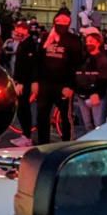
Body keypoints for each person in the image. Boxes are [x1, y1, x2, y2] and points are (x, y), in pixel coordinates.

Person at [31, 8, 83, 144]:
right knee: (42, 116)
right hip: (45, 84)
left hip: (63, 85)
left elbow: (77, 65)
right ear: (55, 21)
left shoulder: (74, 40)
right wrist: (35, 81)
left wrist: (71, 86)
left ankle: (67, 145)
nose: (61, 23)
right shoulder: (46, 37)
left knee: (66, 117)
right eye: (59, 20)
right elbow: (38, 60)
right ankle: (43, 145)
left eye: (65, 21)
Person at [74, 32, 107, 132]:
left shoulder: (103, 59)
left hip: (96, 96)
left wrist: (97, 93)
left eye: (91, 41)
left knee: (98, 125)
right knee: (87, 125)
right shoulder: (82, 57)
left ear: (98, 43)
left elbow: (104, 79)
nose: (88, 43)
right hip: (81, 95)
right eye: (87, 41)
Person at [11, 23, 41, 147]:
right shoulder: (22, 44)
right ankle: (24, 134)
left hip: (25, 83)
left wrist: (22, 83)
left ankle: (27, 136)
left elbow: (28, 66)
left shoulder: (30, 45)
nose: (16, 31)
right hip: (20, 81)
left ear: (26, 30)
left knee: (24, 109)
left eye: (19, 29)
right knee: (21, 109)